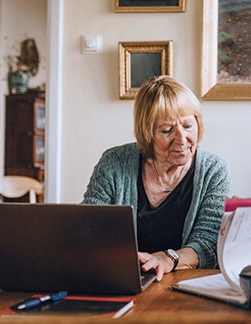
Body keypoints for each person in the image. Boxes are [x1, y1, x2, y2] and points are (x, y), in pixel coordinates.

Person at [82, 76, 231, 281]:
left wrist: (168, 259)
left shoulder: (214, 170)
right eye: (167, 130)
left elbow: (207, 242)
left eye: (188, 126)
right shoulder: (114, 162)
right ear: (147, 133)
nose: (181, 139)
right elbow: (88, 227)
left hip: (185, 282)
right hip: (122, 278)